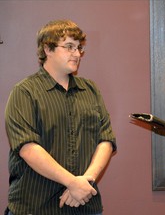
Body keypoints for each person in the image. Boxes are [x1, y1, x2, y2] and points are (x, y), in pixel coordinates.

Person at [5, 19, 117, 215]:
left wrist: (85, 182)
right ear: (47, 49)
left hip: (86, 206)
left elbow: (105, 140)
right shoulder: (24, 92)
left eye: (79, 48)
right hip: (35, 207)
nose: (77, 54)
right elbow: (27, 148)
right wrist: (71, 182)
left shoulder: (90, 90)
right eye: (69, 47)